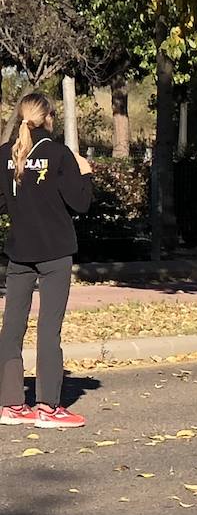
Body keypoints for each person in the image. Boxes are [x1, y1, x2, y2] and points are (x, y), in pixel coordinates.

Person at [0, 92, 93, 428]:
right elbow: (80, 203)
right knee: (48, 328)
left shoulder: (5, 155)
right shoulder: (59, 154)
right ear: (50, 117)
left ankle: (11, 404)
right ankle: (48, 408)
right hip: (54, 253)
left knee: (12, 327)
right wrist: (85, 174)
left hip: (18, 253)